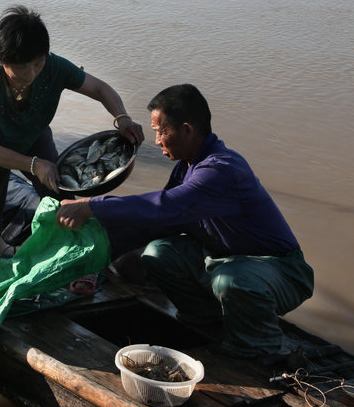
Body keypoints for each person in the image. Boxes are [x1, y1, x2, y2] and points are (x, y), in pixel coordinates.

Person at [55, 84, 314, 364]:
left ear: (188, 130)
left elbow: (163, 206)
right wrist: (98, 256)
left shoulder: (220, 170)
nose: (156, 141)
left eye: (161, 131)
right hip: (223, 258)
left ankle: (259, 346)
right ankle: (204, 316)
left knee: (233, 280)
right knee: (157, 253)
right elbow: (157, 222)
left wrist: (92, 206)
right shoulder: (187, 167)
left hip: (280, 270)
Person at [0, 5, 144, 245]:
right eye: (22, 67)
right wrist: (34, 165)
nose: (32, 73)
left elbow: (99, 88)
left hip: (31, 131)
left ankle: (67, 246)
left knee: (59, 189)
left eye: (38, 63)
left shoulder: (54, 67)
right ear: (2, 61)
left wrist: (122, 117)